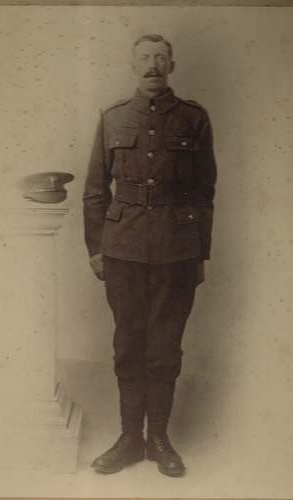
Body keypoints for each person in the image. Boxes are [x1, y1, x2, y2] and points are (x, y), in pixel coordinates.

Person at [83, 33, 217, 477]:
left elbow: (203, 192)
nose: (152, 66)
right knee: (128, 344)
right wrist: (97, 250)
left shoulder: (194, 118)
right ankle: (128, 439)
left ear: (172, 65)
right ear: (132, 64)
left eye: (160, 58)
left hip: (177, 250)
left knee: (164, 346)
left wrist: (200, 253)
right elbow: (95, 191)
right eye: (144, 58)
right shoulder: (113, 117)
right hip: (122, 250)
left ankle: (158, 439)